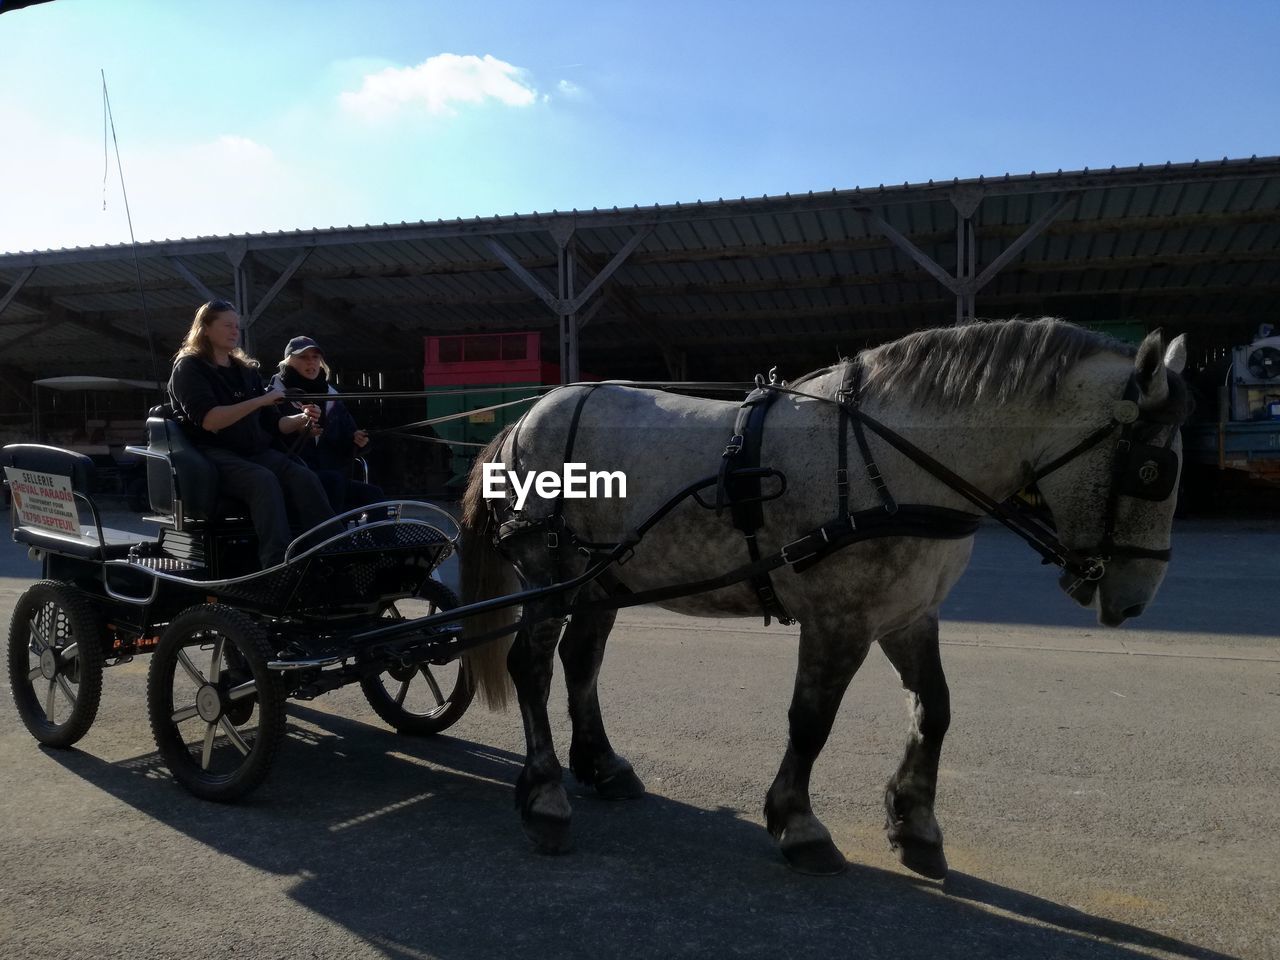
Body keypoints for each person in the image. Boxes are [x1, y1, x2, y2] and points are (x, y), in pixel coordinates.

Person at [168, 301, 336, 568]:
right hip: (212, 455)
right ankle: (277, 564)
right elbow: (211, 420)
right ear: (206, 329)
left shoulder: (245, 371)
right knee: (263, 481)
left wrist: (301, 420)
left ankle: (330, 552)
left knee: (304, 477)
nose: (235, 331)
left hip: (254, 451)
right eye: (227, 325)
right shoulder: (189, 368)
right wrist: (261, 401)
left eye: (237, 326)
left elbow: (274, 424)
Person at [269, 335, 386, 514]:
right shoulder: (271, 396)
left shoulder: (333, 397)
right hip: (293, 479)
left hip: (331, 476)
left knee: (374, 495)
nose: (311, 362)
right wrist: (300, 433)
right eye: (303, 357)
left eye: (315, 357)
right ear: (289, 361)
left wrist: (357, 441)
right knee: (333, 481)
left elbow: (348, 436)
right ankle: (333, 539)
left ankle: (382, 542)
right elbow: (267, 437)